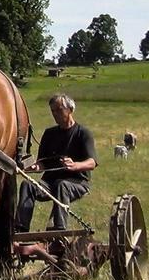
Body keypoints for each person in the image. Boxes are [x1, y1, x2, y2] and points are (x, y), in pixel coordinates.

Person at [17, 94, 97, 231]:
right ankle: (20, 228)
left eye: (59, 110)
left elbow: (92, 163)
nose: (55, 114)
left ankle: (58, 229)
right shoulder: (49, 134)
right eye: (53, 111)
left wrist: (75, 165)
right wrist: (36, 167)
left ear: (70, 109)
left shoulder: (83, 133)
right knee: (27, 185)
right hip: (49, 184)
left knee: (62, 185)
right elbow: (42, 163)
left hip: (77, 183)